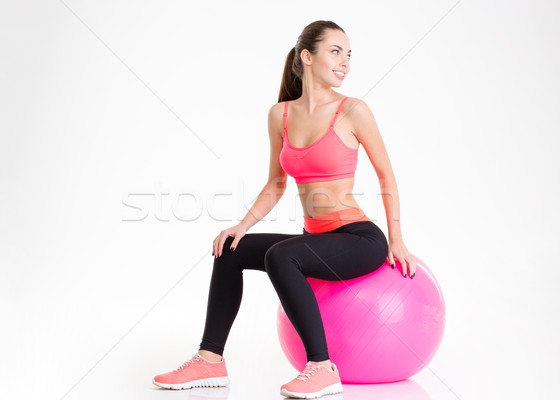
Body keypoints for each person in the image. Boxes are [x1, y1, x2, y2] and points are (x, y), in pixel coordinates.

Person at [152, 20, 417, 398]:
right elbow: (276, 184)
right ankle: (210, 359)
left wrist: (398, 240)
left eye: (349, 54)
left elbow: (387, 177)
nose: (345, 62)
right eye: (336, 51)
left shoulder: (353, 110)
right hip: (317, 240)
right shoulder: (281, 115)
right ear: (307, 57)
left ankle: (322, 367)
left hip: (358, 239)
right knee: (231, 250)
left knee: (282, 257)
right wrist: (239, 227)